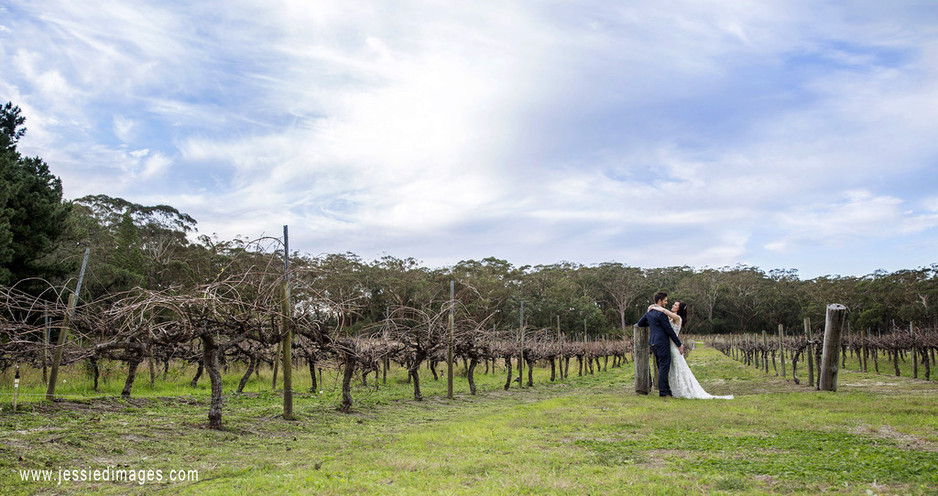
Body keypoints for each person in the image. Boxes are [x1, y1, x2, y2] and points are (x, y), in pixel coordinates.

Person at [647, 300, 733, 400]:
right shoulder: (672, 317)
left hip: (673, 346)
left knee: (677, 368)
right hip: (668, 344)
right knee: (672, 369)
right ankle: (673, 390)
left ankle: (679, 390)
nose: (673, 305)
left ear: (678, 309)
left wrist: (653, 307)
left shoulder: (677, 317)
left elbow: (664, 311)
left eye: (675, 305)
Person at [637, 291, 683, 398]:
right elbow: (669, 331)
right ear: (660, 301)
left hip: (653, 342)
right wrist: (679, 344)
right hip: (662, 342)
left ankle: (666, 390)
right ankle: (664, 392)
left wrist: (653, 323)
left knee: (660, 366)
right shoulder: (661, 314)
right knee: (663, 367)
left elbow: (640, 323)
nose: (666, 303)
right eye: (665, 301)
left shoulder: (649, 312)